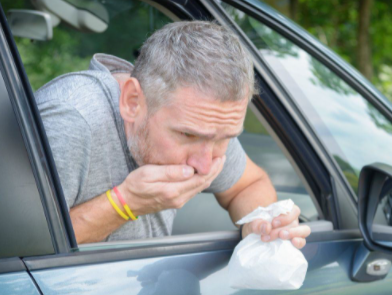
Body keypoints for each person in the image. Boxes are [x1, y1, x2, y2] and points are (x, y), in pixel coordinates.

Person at [35, 21, 311, 246]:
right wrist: (125, 203)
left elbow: (248, 185)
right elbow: (16, 250)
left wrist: (260, 223)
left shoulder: (206, 122)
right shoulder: (71, 119)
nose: (204, 165)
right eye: (188, 136)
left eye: (225, 137)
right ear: (133, 101)